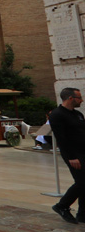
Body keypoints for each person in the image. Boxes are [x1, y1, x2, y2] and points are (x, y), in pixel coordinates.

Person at [48, 87, 85, 224]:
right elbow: (61, 138)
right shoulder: (57, 115)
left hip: (83, 151)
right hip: (73, 154)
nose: (81, 100)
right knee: (82, 182)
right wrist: (71, 157)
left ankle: (82, 214)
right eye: (79, 98)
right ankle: (62, 206)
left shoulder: (78, 114)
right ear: (70, 98)